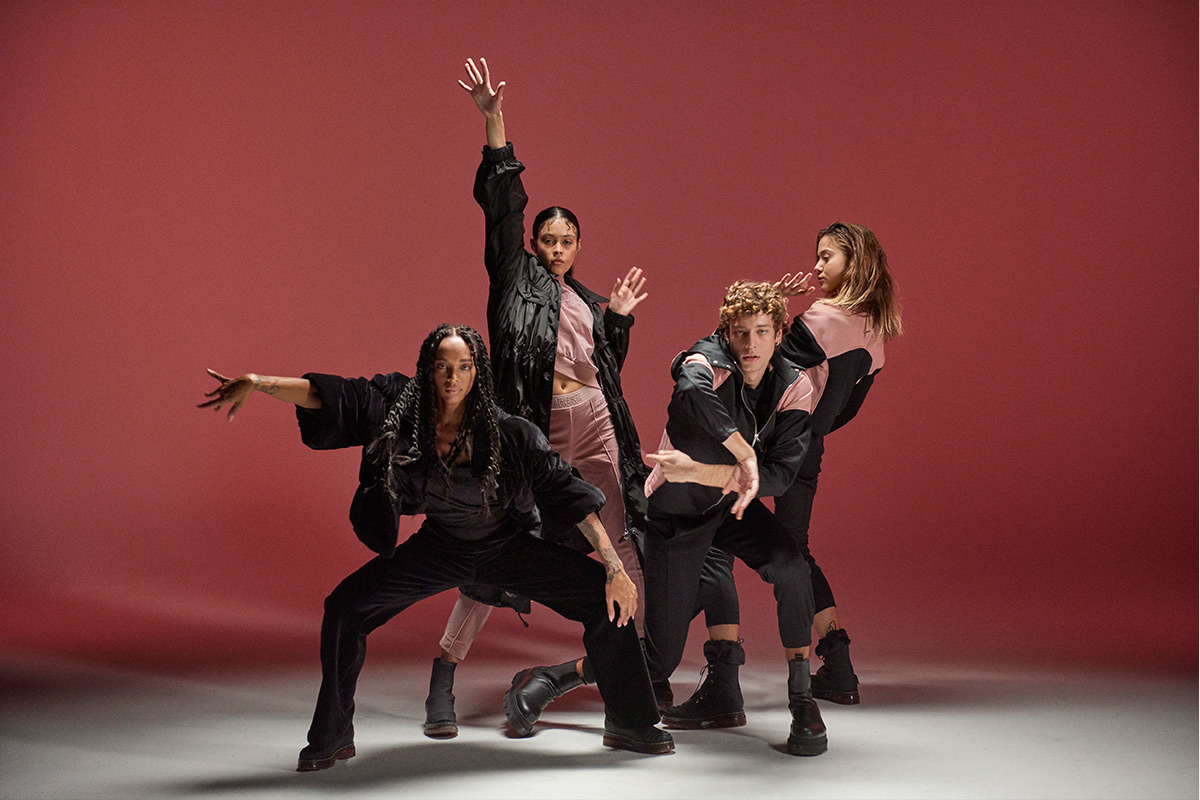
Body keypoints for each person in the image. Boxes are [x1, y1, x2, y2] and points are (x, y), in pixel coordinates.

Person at [198, 324, 673, 770]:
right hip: (440, 547)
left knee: (606, 598)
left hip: (506, 546)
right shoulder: (399, 412)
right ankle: (332, 733)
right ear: (428, 368)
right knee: (345, 608)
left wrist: (615, 568)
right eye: (443, 366)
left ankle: (630, 722)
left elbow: (570, 496)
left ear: (477, 372)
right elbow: (332, 395)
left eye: (464, 366)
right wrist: (258, 383)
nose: (452, 377)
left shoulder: (510, 432)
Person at [421, 57, 654, 740]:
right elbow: (502, 202)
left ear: (579, 245)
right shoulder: (511, 277)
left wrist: (619, 321)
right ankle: (444, 670)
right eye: (547, 239)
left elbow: (607, 371)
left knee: (621, 544)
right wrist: (494, 122)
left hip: (596, 424)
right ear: (532, 242)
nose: (556, 248)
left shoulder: (586, 301)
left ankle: (629, 673)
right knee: (500, 544)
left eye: (566, 240)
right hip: (535, 429)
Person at [676, 222, 901, 711]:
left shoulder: (822, 318)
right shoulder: (876, 336)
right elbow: (846, 411)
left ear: (855, 262)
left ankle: (718, 676)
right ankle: (838, 665)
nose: (817, 267)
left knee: (716, 540)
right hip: (806, 449)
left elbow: (752, 357)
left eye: (827, 257)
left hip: (765, 440)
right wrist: (809, 433)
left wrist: (771, 301)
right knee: (796, 550)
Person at [640, 281, 829, 757]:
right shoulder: (708, 358)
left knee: (791, 565)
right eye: (740, 332)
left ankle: (802, 700)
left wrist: (707, 472)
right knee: (659, 661)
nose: (750, 344)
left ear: (779, 334)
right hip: (678, 513)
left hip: (727, 506)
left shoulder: (794, 385)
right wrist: (744, 454)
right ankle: (553, 678)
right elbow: (690, 389)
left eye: (762, 332)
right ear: (726, 333)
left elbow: (779, 476)